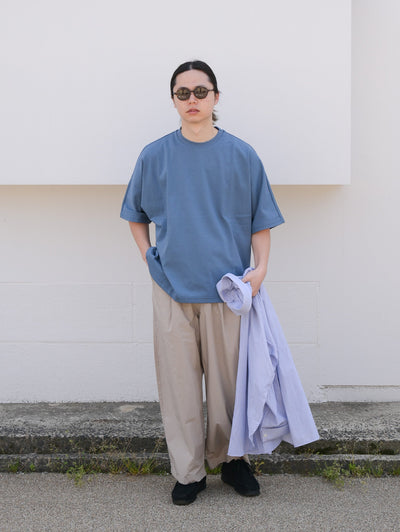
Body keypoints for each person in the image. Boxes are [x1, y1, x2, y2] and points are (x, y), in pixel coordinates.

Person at [120, 60, 285, 505]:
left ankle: (233, 462)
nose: (192, 100)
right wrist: (148, 256)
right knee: (179, 387)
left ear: (215, 96)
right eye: (183, 93)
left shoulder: (242, 155)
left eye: (200, 91)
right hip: (172, 288)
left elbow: (260, 220)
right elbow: (135, 215)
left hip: (226, 291)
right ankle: (189, 472)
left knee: (229, 387)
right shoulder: (155, 155)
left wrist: (261, 269)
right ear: (173, 99)